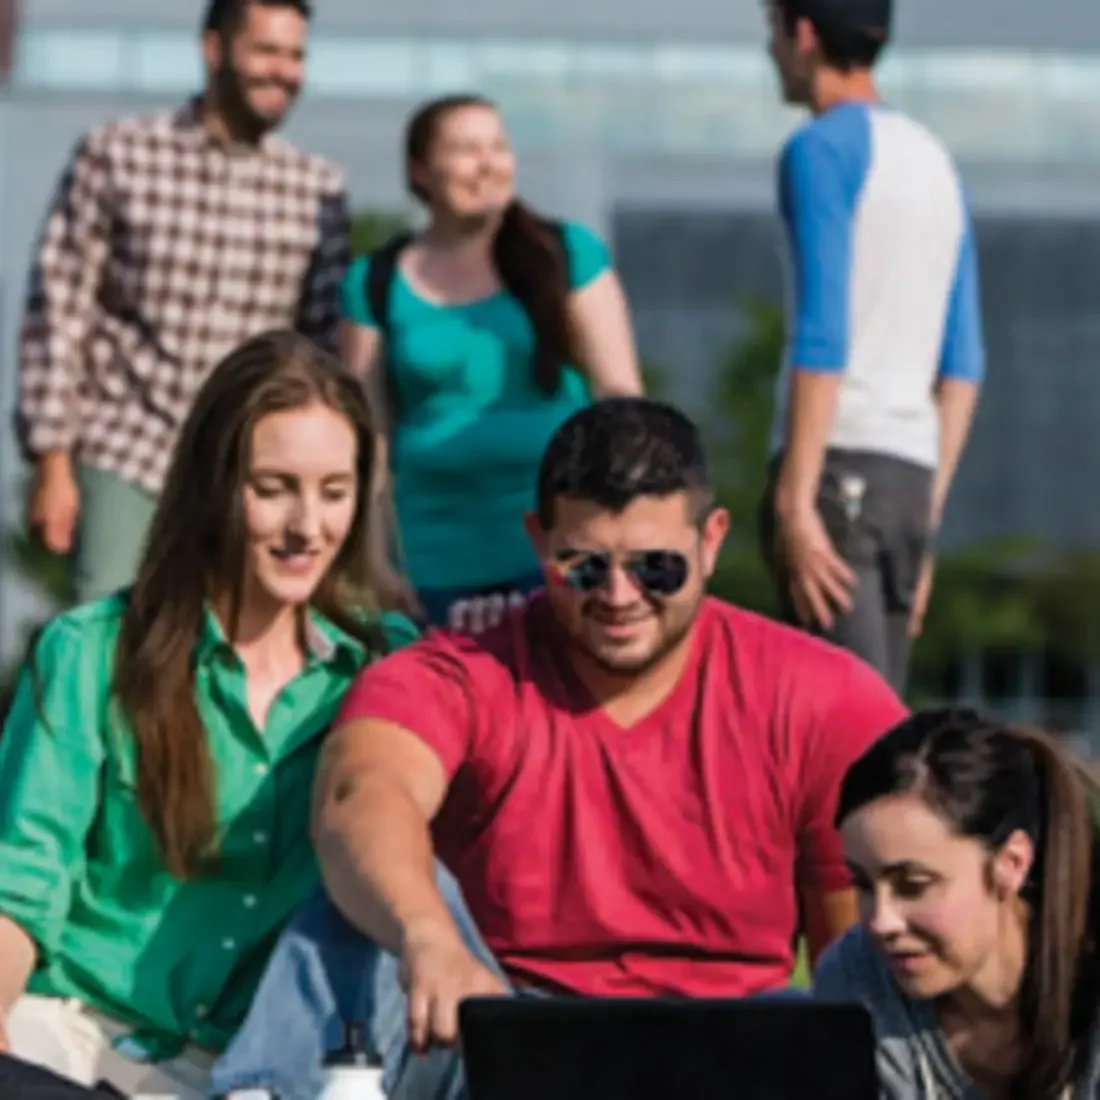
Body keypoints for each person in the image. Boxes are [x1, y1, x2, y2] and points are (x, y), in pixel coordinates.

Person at [210, 396, 907, 1100]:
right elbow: (361, 792)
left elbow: (855, 962)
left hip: (727, 1046)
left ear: (711, 541)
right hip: (508, 1041)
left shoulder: (823, 698)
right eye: (584, 566)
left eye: (655, 568)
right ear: (539, 541)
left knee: (843, 996)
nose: (619, 595)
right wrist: (425, 935)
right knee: (371, 890)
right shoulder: (464, 672)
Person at [0, 331, 417, 1099]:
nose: (307, 526)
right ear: (214, 487)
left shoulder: (388, 671)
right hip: (72, 1035)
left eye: (334, 491)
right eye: (274, 487)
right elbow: (18, 890)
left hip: (262, 1069)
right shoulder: (89, 653)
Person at [17, 0, 350, 604]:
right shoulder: (118, 153)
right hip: (127, 444)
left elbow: (318, 346)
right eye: (267, 50)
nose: (285, 70)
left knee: (228, 641)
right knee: (109, 632)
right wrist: (52, 460)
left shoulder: (318, 189)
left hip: (247, 463)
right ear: (214, 49)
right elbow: (58, 309)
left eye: (297, 55)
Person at [340, 93, 644, 631]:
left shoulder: (567, 254)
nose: (488, 164)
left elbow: (620, 398)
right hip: (429, 569)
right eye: (464, 150)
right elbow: (367, 438)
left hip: (557, 560)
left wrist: (627, 531)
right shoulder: (375, 282)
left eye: (498, 147)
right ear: (420, 171)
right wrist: (375, 564)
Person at [761, 0, 986, 691]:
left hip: (837, 469)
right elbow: (963, 361)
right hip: (908, 482)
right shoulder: (934, 160)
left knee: (840, 737)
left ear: (803, 34)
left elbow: (823, 334)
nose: (770, 52)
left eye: (772, 32)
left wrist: (796, 502)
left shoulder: (819, 149)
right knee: (878, 720)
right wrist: (928, 517)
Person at [816, 708, 1100, 1099]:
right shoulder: (856, 982)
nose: (881, 921)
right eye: (862, 884)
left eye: (913, 885)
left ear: (1011, 864)